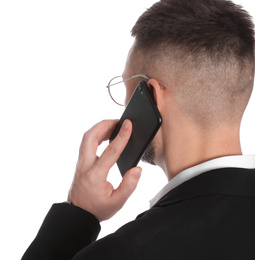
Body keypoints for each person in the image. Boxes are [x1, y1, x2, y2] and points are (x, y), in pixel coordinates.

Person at [22, 0, 255, 259]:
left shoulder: (126, 251)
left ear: (152, 97)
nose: (123, 105)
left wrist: (78, 214)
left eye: (126, 87)